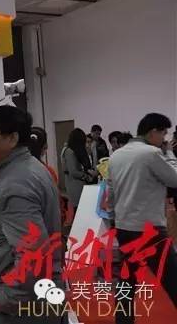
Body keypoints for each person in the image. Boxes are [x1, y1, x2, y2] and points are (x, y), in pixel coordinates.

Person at [0, 106, 63, 324]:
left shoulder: (17, 182)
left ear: (12, 138)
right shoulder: (26, 169)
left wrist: (3, 298)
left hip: (22, 306)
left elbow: (34, 254)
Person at [108, 113, 177, 323]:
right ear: (153, 132)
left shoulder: (117, 155)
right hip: (150, 230)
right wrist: (169, 153)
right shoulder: (151, 153)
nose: (164, 138)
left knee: (127, 281)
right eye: (163, 133)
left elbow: (111, 193)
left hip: (124, 227)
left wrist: (113, 219)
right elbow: (174, 179)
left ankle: (123, 320)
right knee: (172, 278)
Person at [62, 128, 97, 215]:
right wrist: (87, 176)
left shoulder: (73, 150)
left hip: (77, 183)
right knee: (78, 211)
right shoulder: (69, 151)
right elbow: (73, 171)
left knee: (80, 210)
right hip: (75, 184)